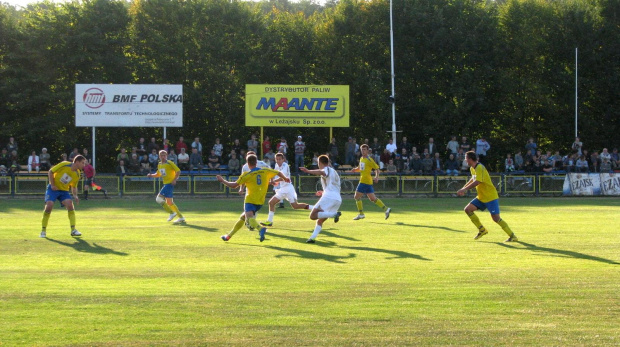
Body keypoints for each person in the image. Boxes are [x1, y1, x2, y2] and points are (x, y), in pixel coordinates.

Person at [217, 154, 290, 242]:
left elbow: (234, 185)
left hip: (250, 200)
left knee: (249, 218)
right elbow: (277, 172)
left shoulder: (246, 175)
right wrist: (285, 178)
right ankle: (228, 236)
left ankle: (260, 229)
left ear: (247, 163)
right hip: (260, 201)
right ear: (256, 162)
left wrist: (223, 181)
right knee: (243, 217)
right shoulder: (265, 170)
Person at [457, 151, 518, 242]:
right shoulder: (472, 168)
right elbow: (473, 179)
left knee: (496, 218)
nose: (465, 160)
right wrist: (463, 188)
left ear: (470, 159)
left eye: (466, 158)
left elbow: (478, 181)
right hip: (481, 197)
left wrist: (465, 190)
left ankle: (512, 236)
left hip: (490, 197)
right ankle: (482, 230)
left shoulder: (480, 167)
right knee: (467, 209)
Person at [260, 152, 312, 227]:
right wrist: (271, 181)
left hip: (287, 188)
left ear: (283, 159)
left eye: (279, 159)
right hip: (285, 188)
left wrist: (273, 181)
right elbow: (273, 173)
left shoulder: (285, 165)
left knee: (274, 203)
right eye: (277, 159)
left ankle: (269, 221)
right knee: (293, 205)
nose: (278, 161)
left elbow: (282, 177)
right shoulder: (276, 165)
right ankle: (314, 208)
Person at [40, 155, 87, 238]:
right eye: (83, 163)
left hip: (64, 191)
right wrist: (53, 185)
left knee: (70, 204)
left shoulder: (77, 174)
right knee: (49, 206)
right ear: (77, 162)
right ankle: (43, 231)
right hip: (53, 189)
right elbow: (51, 171)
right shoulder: (64, 164)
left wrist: (75, 195)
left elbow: (74, 186)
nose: (84, 165)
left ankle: (73, 230)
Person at [300, 155, 342, 243]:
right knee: (320, 221)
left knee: (313, 215)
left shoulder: (327, 169)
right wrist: (323, 192)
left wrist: (308, 171)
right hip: (337, 199)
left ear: (320, 163)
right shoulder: (334, 171)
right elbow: (333, 186)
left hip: (329, 197)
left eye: (318, 163)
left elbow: (322, 172)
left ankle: (334, 215)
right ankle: (312, 238)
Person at [350, 144, 391, 221]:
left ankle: (361, 214)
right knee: (372, 198)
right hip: (367, 182)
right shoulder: (361, 158)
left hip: (364, 181)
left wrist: (377, 177)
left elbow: (377, 169)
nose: (363, 151)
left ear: (368, 151)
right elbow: (360, 168)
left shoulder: (369, 159)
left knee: (356, 197)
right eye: (362, 149)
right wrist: (355, 169)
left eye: (365, 149)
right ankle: (386, 209)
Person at [147, 150, 185, 224]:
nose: (163, 157)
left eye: (164, 155)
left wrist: (174, 180)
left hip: (169, 184)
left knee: (158, 199)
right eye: (161, 155)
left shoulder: (169, 163)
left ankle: (171, 213)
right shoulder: (160, 164)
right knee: (170, 202)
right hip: (166, 184)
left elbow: (178, 171)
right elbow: (158, 174)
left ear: (166, 156)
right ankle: (181, 217)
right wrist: (151, 175)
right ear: (159, 156)